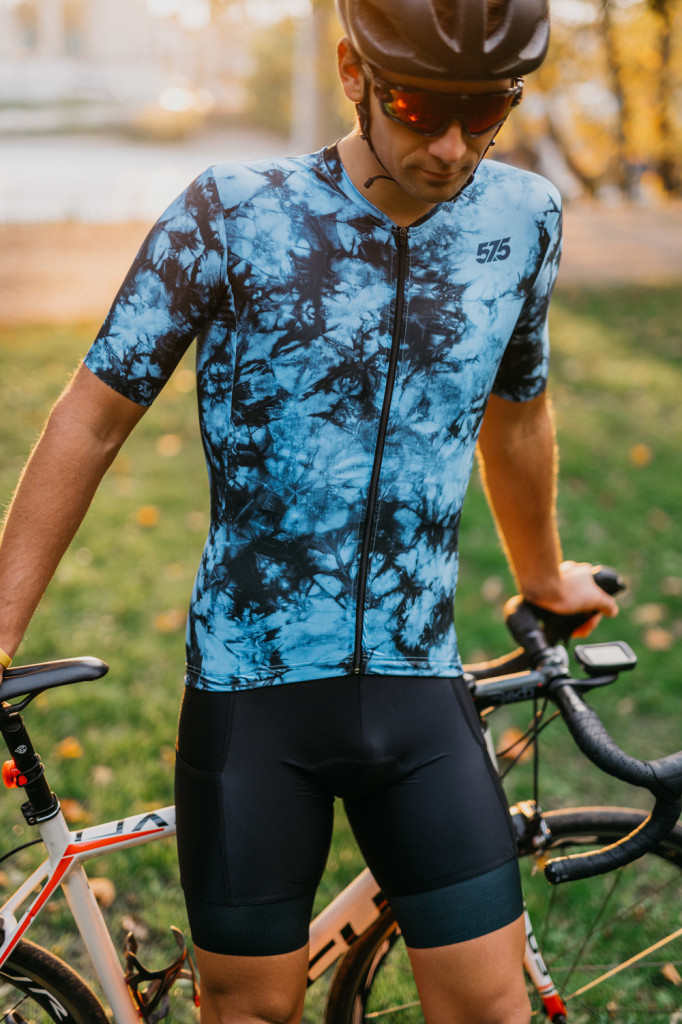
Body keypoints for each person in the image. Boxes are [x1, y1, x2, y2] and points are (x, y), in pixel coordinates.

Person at [0, 0, 619, 1021]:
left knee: (489, 1006)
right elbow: (94, 416)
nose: (451, 146)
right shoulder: (231, 210)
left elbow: (517, 417)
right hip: (253, 697)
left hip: (421, 689)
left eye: (486, 111)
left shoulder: (525, 218)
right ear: (351, 72)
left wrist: (543, 575)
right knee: (253, 1010)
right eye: (419, 108)